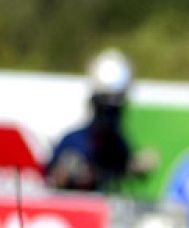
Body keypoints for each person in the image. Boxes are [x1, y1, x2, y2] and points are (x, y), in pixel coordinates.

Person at [48, 49, 136, 192]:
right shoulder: (72, 141)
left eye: (114, 111)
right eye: (104, 110)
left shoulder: (119, 146)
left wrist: (131, 167)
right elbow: (50, 179)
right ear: (94, 106)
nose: (109, 118)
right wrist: (65, 174)